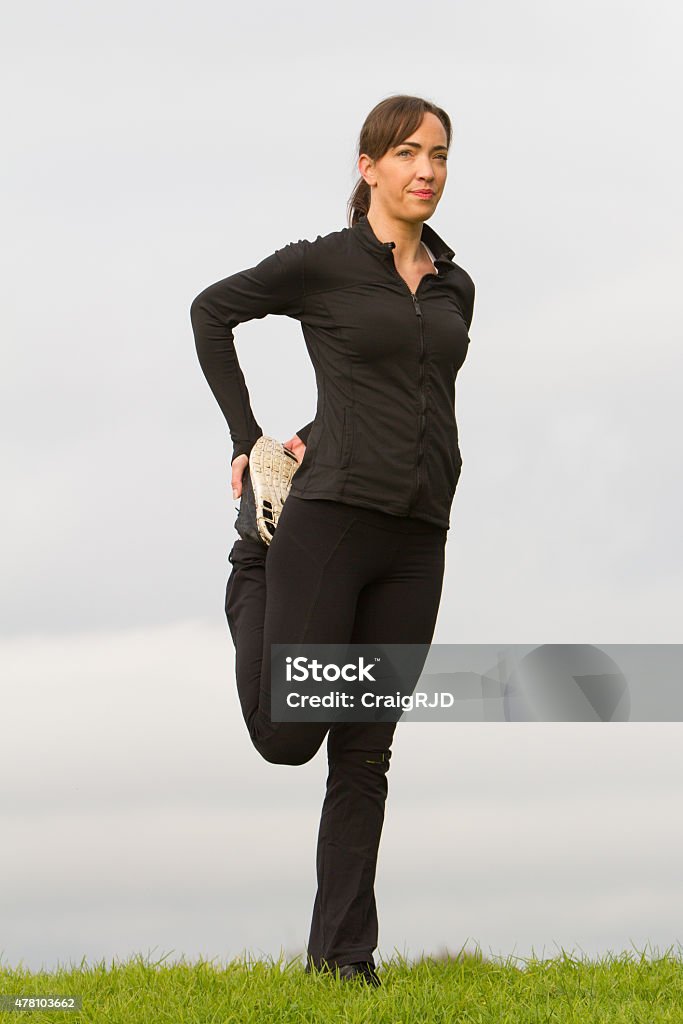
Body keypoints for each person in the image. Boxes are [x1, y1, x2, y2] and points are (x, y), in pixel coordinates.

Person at [189, 94, 475, 987]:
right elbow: (211, 311)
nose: (424, 169)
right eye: (406, 154)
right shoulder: (322, 264)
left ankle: (342, 960)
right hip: (329, 523)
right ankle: (253, 561)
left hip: (418, 531)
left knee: (367, 747)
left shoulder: (456, 282)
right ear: (369, 167)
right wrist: (247, 438)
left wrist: (319, 423)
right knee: (290, 733)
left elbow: (401, 390)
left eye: (437, 155)